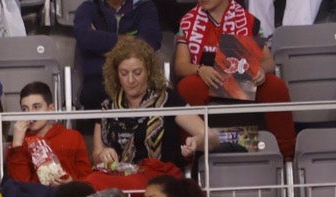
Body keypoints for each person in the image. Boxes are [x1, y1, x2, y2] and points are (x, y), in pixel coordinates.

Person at [172, 0, 294, 161]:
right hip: (208, 81)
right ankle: (191, 157)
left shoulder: (248, 20)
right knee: (188, 86)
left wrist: (261, 70)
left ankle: (286, 157)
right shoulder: (188, 22)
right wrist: (199, 70)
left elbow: (269, 61)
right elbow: (180, 66)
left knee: (275, 86)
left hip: (243, 81)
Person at [92, 39, 210, 181]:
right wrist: (103, 154)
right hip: (119, 177)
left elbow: (211, 137)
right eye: (124, 73)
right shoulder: (107, 106)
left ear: (149, 71)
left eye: (137, 72)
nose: (130, 80)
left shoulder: (168, 99)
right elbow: (96, 155)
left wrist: (196, 141)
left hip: (159, 179)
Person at [72, 0, 161, 109]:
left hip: (138, 81)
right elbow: (85, 38)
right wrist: (131, 40)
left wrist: (102, 47)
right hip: (98, 80)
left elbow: (150, 41)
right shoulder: (88, 7)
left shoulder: (145, 7)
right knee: (91, 94)